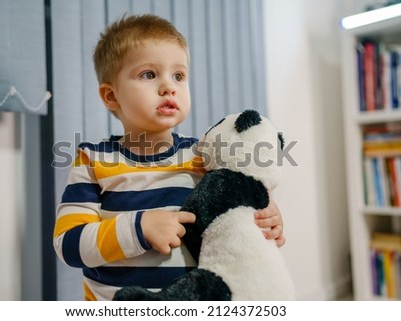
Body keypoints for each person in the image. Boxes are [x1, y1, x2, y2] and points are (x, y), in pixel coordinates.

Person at [53, 14, 285, 301]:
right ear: (111, 96)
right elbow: (68, 244)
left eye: (178, 75)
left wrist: (268, 216)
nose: (169, 86)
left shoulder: (205, 156)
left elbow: (237, 204)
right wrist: (139, 229)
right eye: (149, 74)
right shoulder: (92, 161)